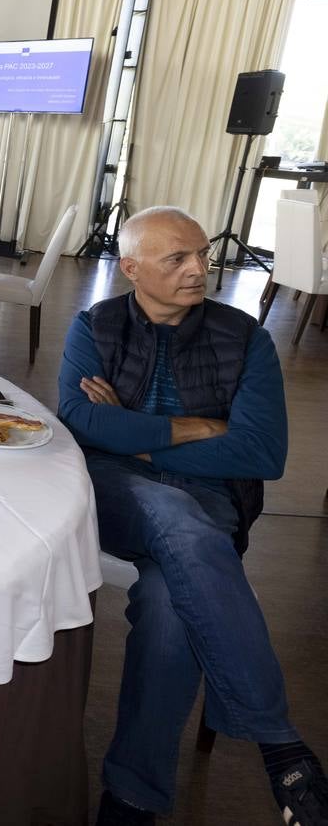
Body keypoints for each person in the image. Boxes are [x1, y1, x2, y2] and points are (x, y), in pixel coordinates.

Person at [57, 207, 326, 826]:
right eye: (176, 259)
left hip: (209, 496)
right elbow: (81, 420)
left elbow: (262, 452)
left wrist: (136, 432)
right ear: (131, 269)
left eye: (202, 254)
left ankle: (130, 801)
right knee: (171, 510)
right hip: (115, 489)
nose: (198, 269)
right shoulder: (95, 326)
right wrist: (195, 429)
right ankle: (278, 741)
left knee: (173, 607)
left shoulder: (245, 337)